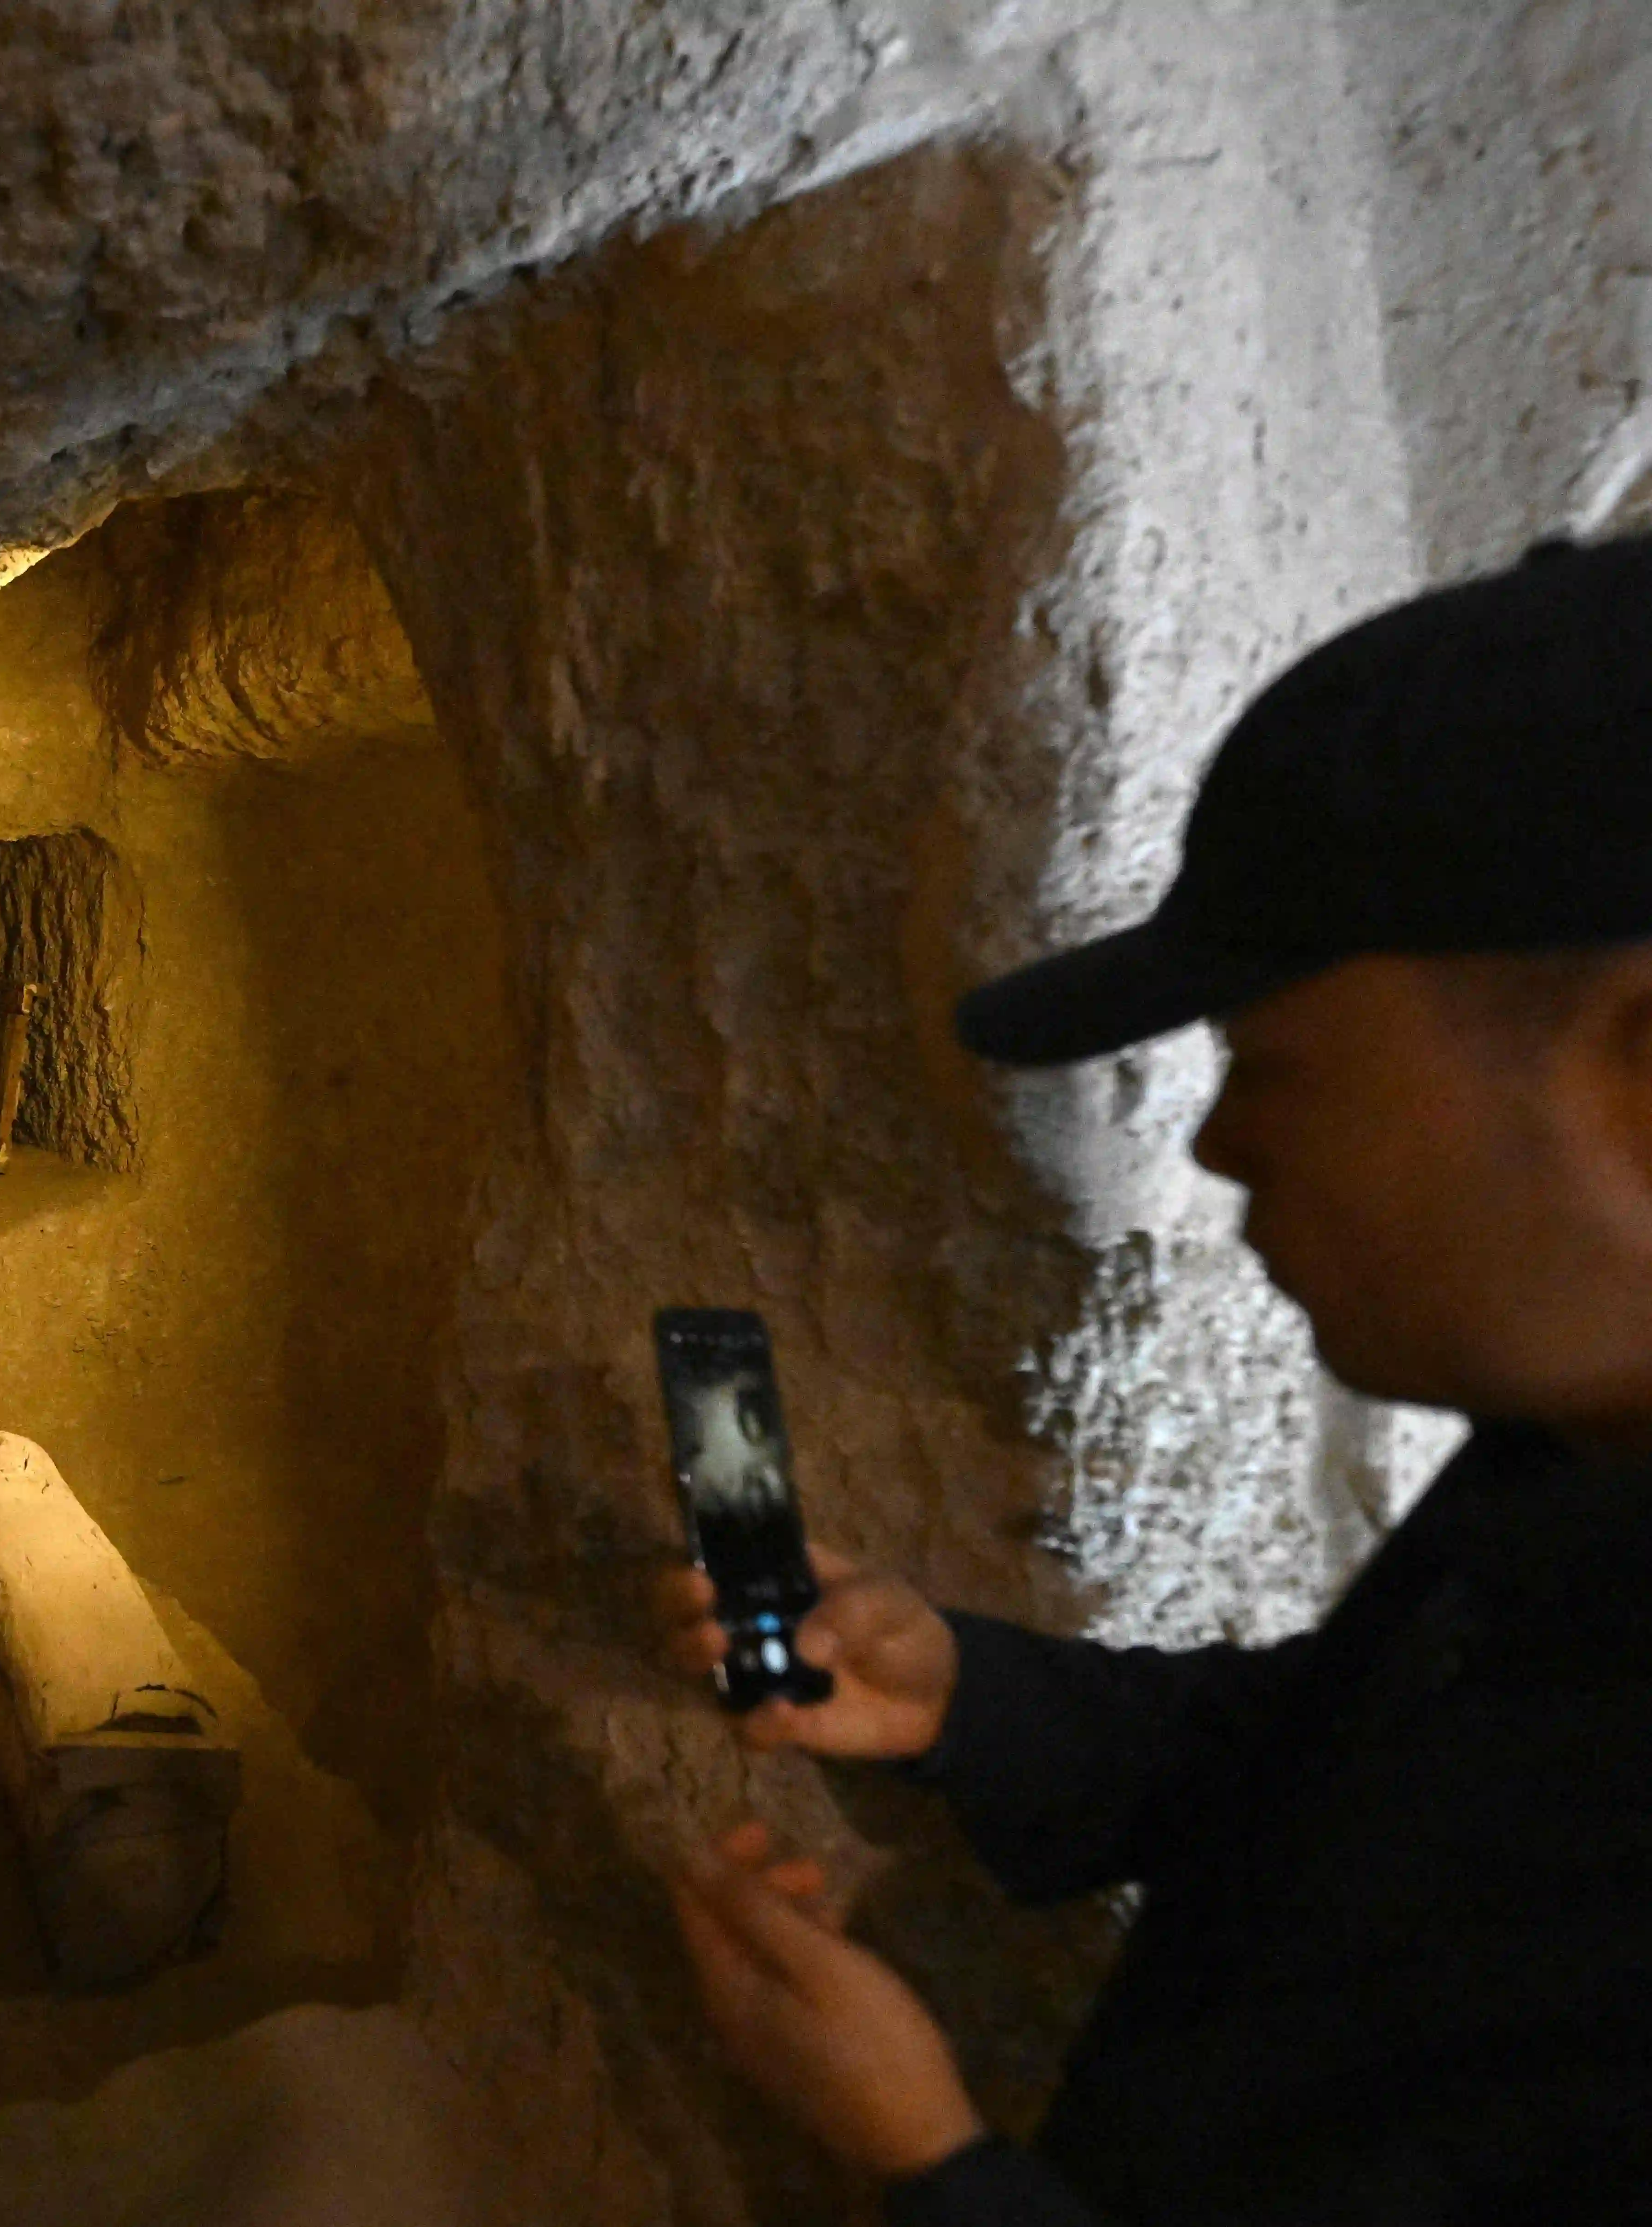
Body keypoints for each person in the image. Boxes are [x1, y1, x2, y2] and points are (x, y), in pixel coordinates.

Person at [654, 529, 1652, 2223]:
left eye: (1273, 1061)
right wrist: (971, 1700)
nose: (1218, 1136)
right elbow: (1350, 1770)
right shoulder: (1573, 1463)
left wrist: (930, 2161)